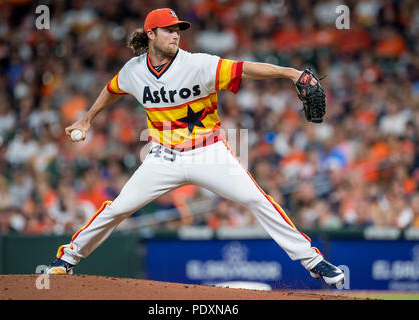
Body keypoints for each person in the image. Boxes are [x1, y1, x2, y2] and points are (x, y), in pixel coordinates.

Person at [47, 8, 345, 287]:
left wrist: (290, 73)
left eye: (178, 30)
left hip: (208, 152)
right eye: (168, 31)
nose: (175, 35)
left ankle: (314, 261)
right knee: (118, 209)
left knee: (259, 201)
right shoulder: (133, 70)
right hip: (163, 156)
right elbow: (113, 89)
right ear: (150, 34)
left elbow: (246, 68)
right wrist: (87, 119)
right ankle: (66, 259)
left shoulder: (199, 64)